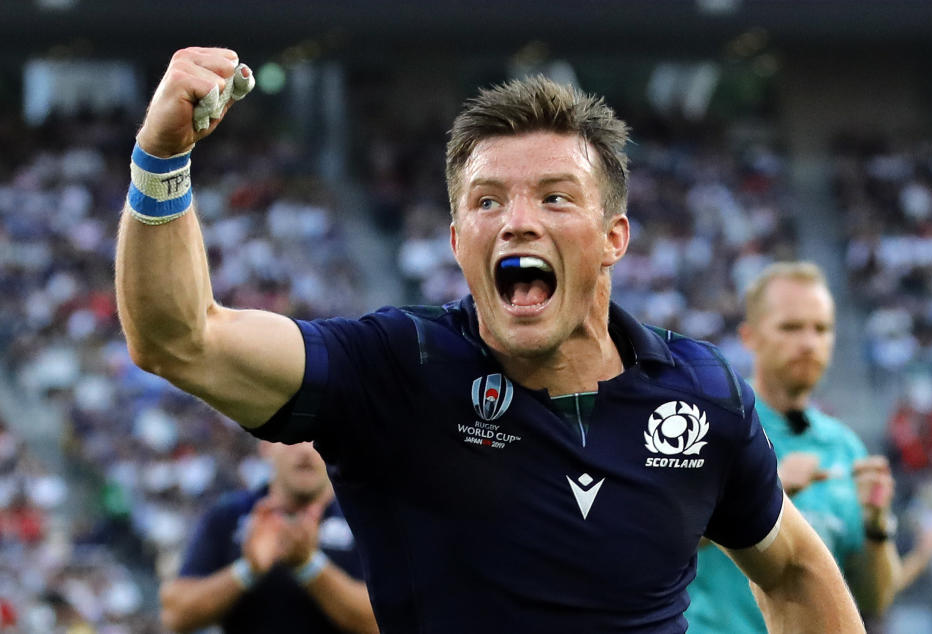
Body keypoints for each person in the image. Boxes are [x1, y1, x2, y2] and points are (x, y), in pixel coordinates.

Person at [116, 47, 865, 632]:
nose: (517, 220)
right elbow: (181, 340)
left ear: (614, 238)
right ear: (455, 239)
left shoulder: (700, 394)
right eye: (487, 201)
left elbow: (795, 567)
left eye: (554, 197)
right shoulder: (396, 368)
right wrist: (161, 158)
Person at [686, 261, 932, 632]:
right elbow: (662, 544)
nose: (808, 343)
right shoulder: (706, 426)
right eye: (790, 327)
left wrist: (876, 524)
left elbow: (874, 599)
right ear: (749, 337)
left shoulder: (844, 446)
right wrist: (765, 493)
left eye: (820, 329)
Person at [159, 441, 378, 633]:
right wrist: (247, 569)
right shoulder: (228, 515)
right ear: (266, 445)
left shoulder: (364, 520)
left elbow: (383, 623)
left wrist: (309, 565)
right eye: (294, 437)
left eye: (318, 439)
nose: (306, 450)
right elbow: (176, 615)